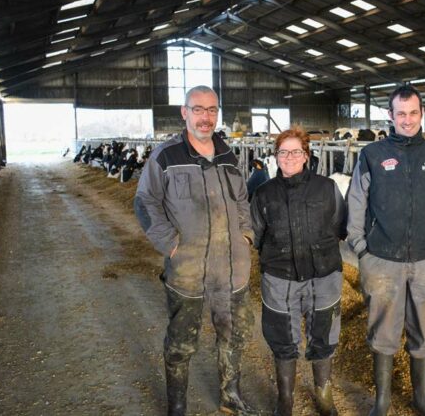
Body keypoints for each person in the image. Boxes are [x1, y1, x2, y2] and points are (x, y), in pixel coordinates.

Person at [134, 86, 255, 416]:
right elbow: (145, 202)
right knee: (181, 342)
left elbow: (242, 200)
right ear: (184, 113)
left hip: (232, 269)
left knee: (234, 336)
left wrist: (245, 233)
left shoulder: (228, 156)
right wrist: (170, 243)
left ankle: (231, 396)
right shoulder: (166, 156)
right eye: (198, 109)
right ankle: (177, 405)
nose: (206, 116)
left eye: (212, 110)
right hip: (187, 268)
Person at [347, 85, 425, 416]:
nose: (407, 120)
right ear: (390, 116)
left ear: (422, 113)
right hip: (382, 260)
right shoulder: (372, 155)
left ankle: (421, 398)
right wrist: (361, 249)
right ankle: (382, 401)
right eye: (401, 113)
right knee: (382, 329)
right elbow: (356, 202)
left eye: (413, 113)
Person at [250, 127, 346, 416]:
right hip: (280, 277)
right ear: (275, 155)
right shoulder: (263, 193)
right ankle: (285, 401)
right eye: (283, 152)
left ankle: (324, 397)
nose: (289, 157)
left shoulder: (327, 187)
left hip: (324, 274)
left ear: (306, 155)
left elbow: (340, 227)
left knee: (325, 335)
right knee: (282, 338)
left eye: (295, 152)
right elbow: (255, 235)